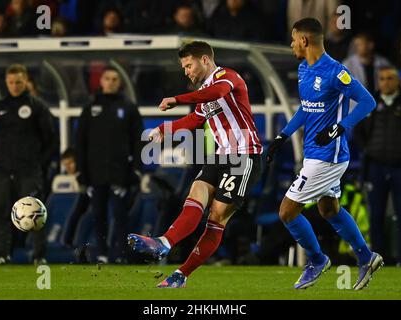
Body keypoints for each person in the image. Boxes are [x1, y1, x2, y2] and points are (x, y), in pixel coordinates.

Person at [128, 41, 263, 288]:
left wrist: (177, 99)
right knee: (196, 192)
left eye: (188, 65)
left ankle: (182, 273)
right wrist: (162, 129)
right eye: (183, 67)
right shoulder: (204, 94)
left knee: (217, 217)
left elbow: (218, 93)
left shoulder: (226, 77)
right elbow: (194, 119)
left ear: (204, 60)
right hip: (221, 155)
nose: (186, 71)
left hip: (244, 156)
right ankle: (164, 243)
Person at [267, 18, 381, 290]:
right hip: (313, 153)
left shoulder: (335, 71)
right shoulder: (304, 69)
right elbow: (306, 108)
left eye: (294, 39)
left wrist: (338, 129)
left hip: (328, 156)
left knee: (286, 212)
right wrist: (283, 135)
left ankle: (317, 260)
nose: (292, 44)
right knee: (328, 209)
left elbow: (367, 101)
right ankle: (366, 257)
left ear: (305, 40)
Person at [0, 64, 57, 266]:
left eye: (18, 82)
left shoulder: (37, 106)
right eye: (10, 82)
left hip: (29, 170)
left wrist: (38, 163)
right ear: (6, 83)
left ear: (26, 81)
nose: (14, 86)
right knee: (0, 211)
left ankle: (38, 255)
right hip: (3, 170)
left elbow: (50, 139)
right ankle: (2, 254)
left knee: (35, 213)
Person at [76, 66, 143, 264]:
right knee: (98, 216)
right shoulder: (90, 109)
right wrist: (82, 173)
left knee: (121, 216)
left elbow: (139, 141)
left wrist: (136, 171)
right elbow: (80, 142)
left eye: (115, 79)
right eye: (107, 78)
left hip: (121, 174)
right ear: (101, 81)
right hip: (95, 174)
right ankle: (103, 254)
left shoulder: (129, 108)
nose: (111, 82)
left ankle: (121, 254)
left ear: (120, 82)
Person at [354, 66, 401, 266]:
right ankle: (378, 260)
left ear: (397, 80)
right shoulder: (369, 105)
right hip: (376, 167)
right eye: (381, 78)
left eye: (390, 78)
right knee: (376, 216)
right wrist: (368, 150)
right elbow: (358, 132)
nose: (385, 82)